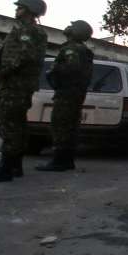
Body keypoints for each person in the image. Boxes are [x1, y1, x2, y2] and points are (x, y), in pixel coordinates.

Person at [0, 0, 48, 183]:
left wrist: (2, 73)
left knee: (8, 125)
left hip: (16, 85)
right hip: (20, 85)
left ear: (29, 10)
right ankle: (14, 166)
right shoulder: (33, 30)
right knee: (17, 125)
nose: (17, 10)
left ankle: (5, 169)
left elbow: (23, 56)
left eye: (20, 8)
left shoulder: (27, 30)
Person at [36, 20, 94, 172]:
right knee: (69, 126)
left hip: (67, 92)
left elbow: (71, 67)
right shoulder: (81, 49)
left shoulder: (72, 48)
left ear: (77, 31)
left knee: (60, 125)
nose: (68, 27)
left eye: (72, 26)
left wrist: (54, 69)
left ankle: (59, 161)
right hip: (73, 93)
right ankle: (66, 160)